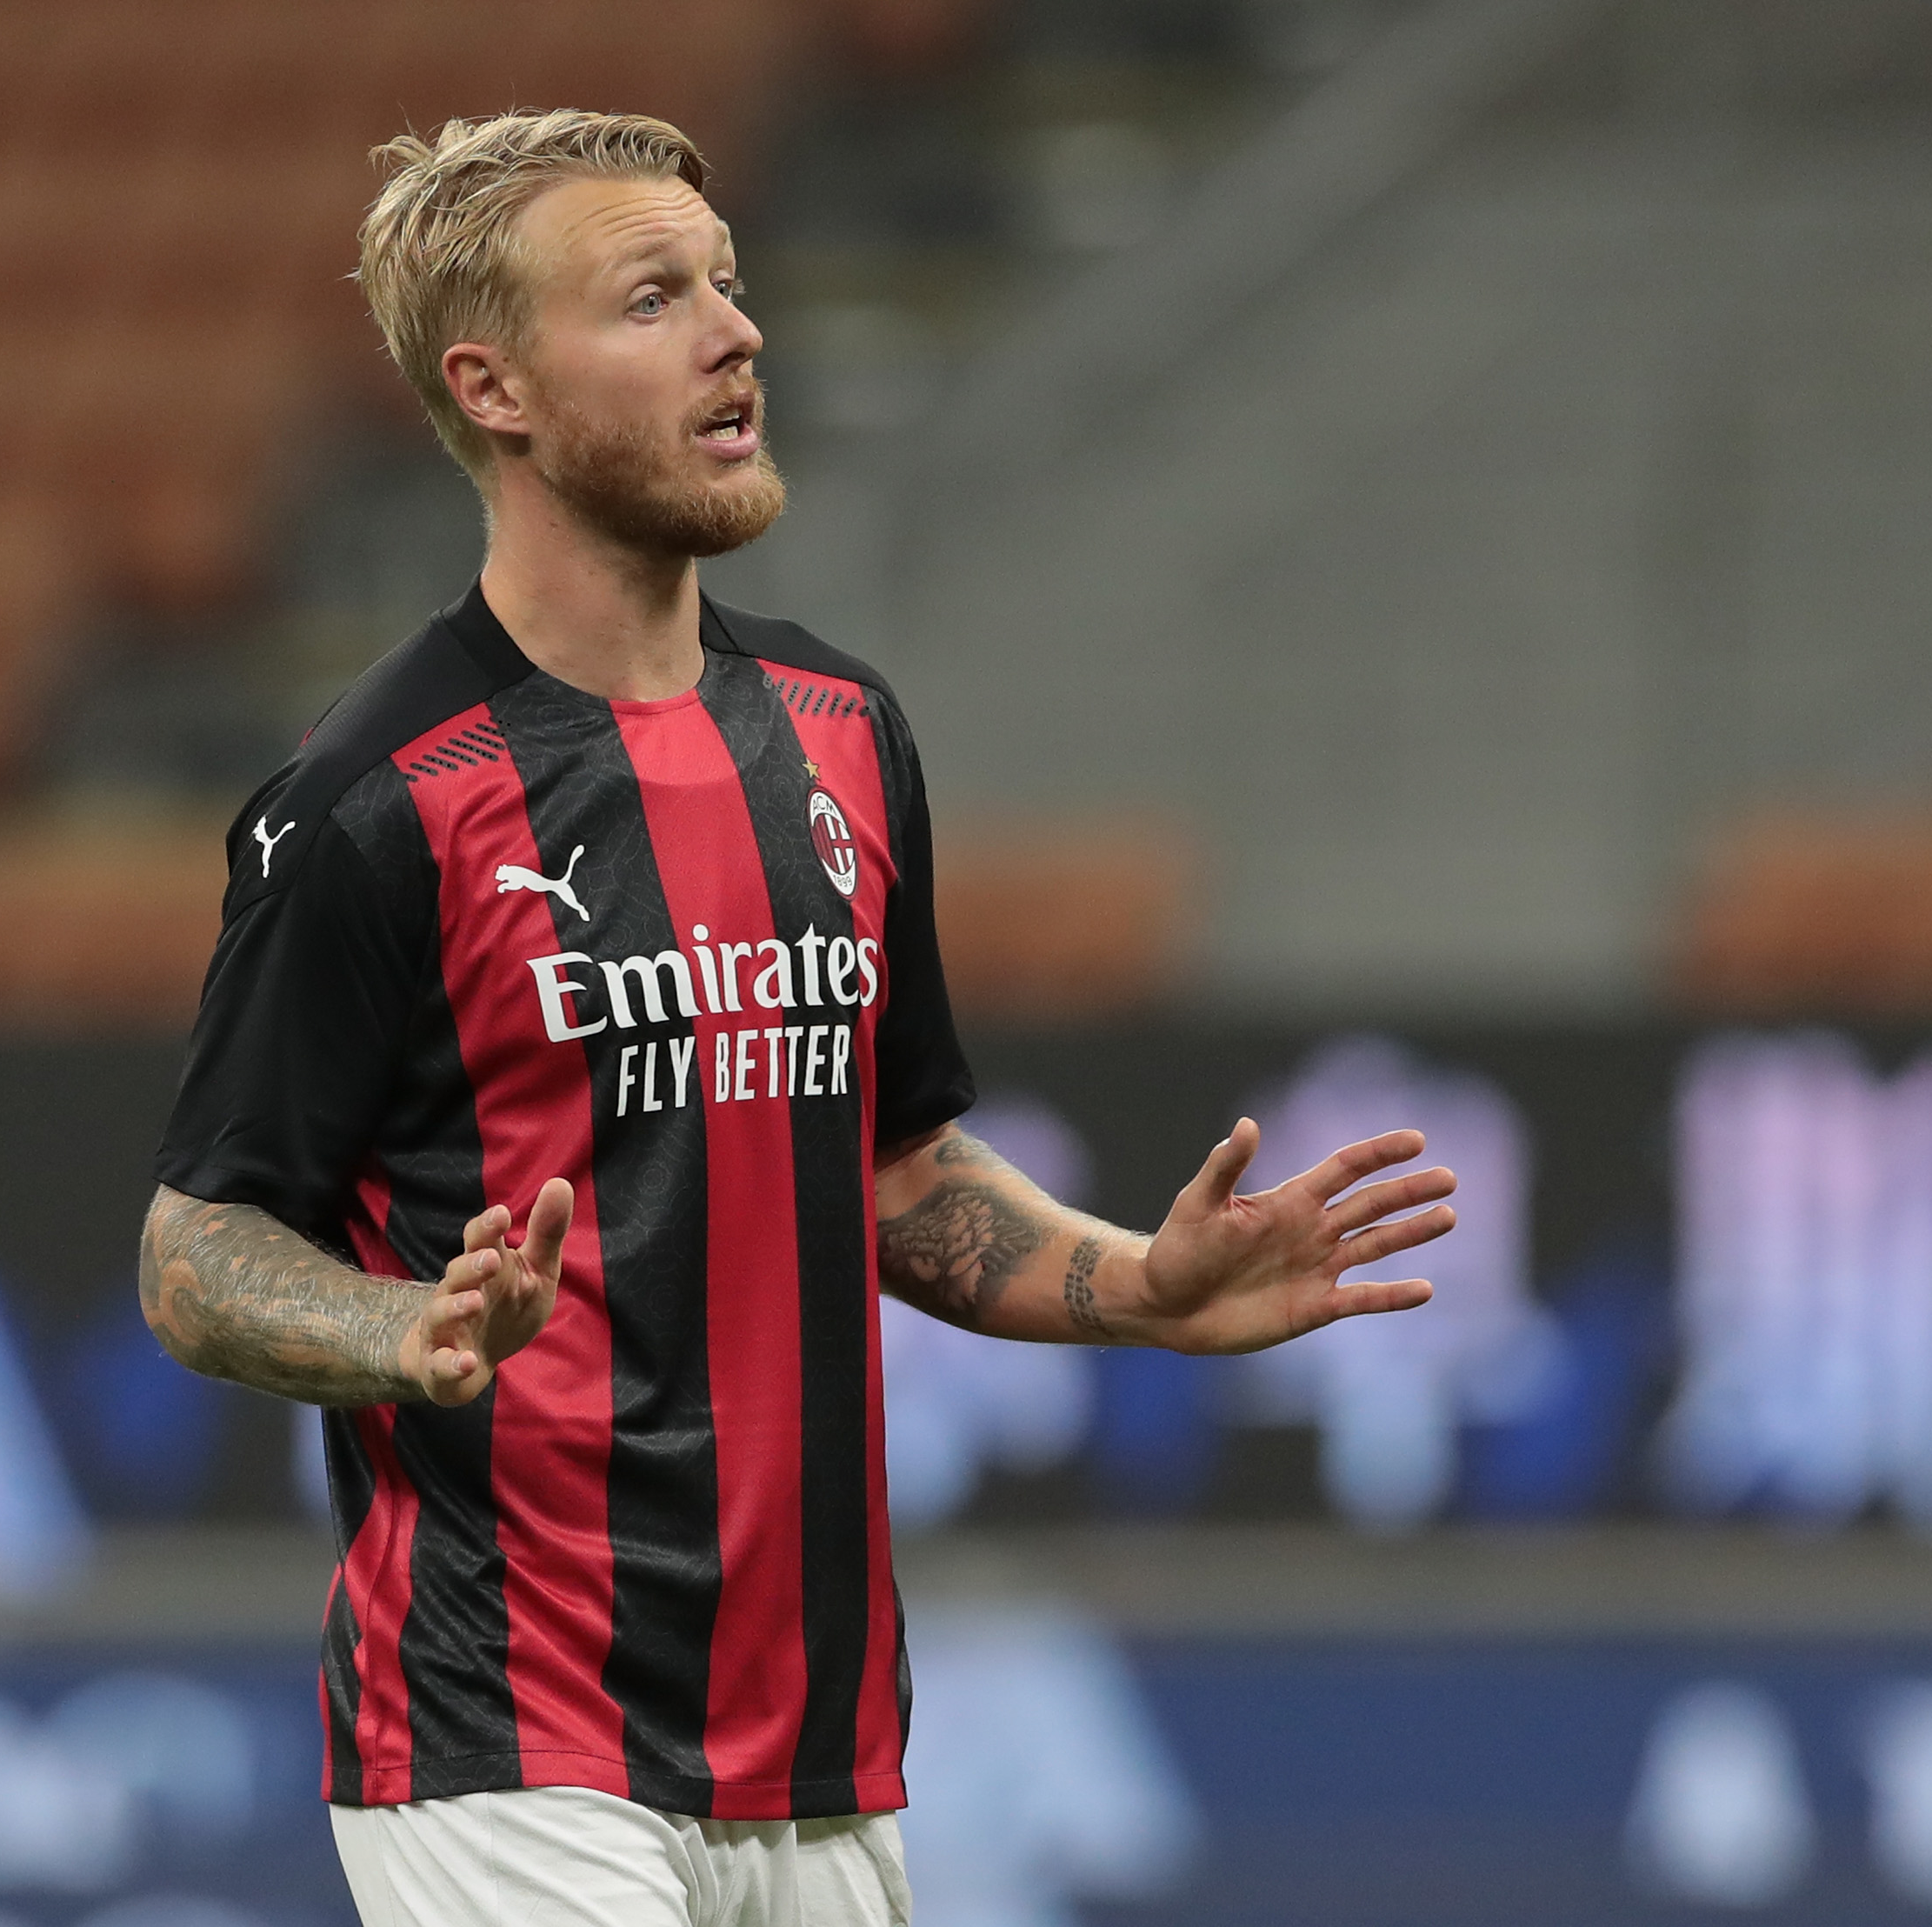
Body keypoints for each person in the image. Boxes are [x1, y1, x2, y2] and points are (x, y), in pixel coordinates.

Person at [139, 110, 1456, 1927]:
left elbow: (894, 1170)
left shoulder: (839, 728)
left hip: (821, 1746)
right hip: (508, 1731)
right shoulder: (378, 801)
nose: (737, 332)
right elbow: (196, 1250)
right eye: (654, 299)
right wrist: (402, 1330)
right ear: (494, 388)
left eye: (731, 284)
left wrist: (1135, 1289)